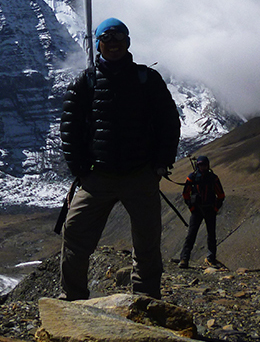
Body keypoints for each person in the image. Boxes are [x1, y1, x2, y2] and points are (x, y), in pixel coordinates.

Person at [59, 17, 181, 300]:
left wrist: (161, 163)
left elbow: (168, 121)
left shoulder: (147, 79)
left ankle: (146, 300)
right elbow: (70, 126)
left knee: (147, 243)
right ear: (98, 44)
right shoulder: (86, 82)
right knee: (75, 234)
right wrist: (80, 169)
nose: (113, 45)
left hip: (140, 174)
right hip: (98, 176)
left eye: (118, 40)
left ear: (127, 43)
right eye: (107, 40)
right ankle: (73, 300)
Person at [177, 155, 225, 268]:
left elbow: (221, 195)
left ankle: (211, 258)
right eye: (201, 165)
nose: (203, 167)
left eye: (204, 165)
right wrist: (192, 208)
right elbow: (185, 194)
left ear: (208, 165)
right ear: (198, 165)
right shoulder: (192, 178)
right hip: (197, 210)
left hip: (209, 209)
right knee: (191, 235)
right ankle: (184, 259)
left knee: (211, 235)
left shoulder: (213, 178)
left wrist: (215, 209)